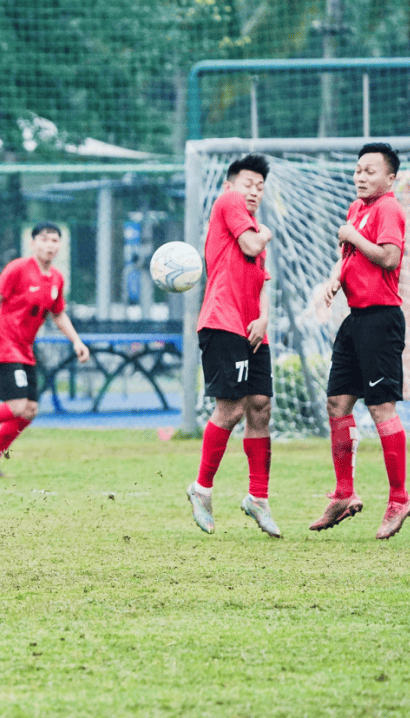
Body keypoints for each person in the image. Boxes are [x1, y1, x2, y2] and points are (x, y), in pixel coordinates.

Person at [311, 142, 410, 540]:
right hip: (355, 320)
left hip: (381, 320)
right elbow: (350, 257)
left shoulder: (388, 208)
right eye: (358, 170)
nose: (361, 176)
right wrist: (335, 280)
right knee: (337, 402)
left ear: (390, 178)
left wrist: (352, 235)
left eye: (370, 171)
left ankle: (399, 498)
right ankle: (343, 493)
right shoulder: (357, 208)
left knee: (381, 407)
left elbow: (389, 258)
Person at [184, 154, 280, 538]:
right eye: (247, 184)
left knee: (260, 407)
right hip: (223, 323)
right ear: (230, 186)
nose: (254, 191)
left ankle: (258, 498)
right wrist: (266, 233)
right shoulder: (228, 204)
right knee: (232, 408)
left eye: (260, 187)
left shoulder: (252, 224)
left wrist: (264, 317)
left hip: (253, 328)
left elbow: (263, 282)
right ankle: (201, 489)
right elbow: (253, 245)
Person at [0, 222, 90, 477]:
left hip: (25, 349)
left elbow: (58, 314)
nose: (50, 245)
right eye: (44, 239)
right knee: (16, 405)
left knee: (29, 411)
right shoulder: (18, 268)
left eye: (55, 240)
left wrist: (77, 341)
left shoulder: (56, 278)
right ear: (33, 243)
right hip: (5, 344)